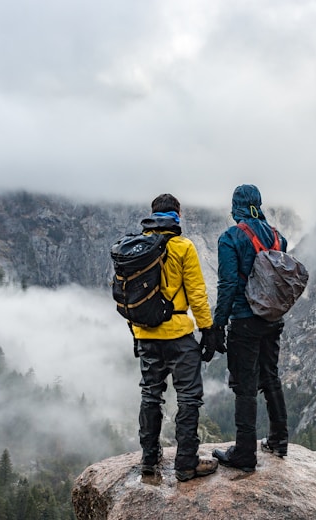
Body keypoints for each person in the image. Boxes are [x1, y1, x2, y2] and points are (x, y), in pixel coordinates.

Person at [132, 193, 220, 482]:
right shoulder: (183, 247)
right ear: (177, 216)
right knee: (188, 398)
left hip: (145, 334)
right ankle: (185, 464)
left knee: (150, 395)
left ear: (153, 215)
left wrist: (136, 333)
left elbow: (129, 297)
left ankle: (149, 460)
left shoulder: (136, 248)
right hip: (179, 335)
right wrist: (208, 331)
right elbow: (196, 293)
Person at [211, 184, 289, 472]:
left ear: (236, 207)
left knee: (245, 386)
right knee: (270, 376)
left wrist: (218, 324)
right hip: (272, 319)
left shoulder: (230, 238)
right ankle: (279, 440)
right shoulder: (279, 238)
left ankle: (245, 454)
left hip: (245, 321)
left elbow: (228, 285)